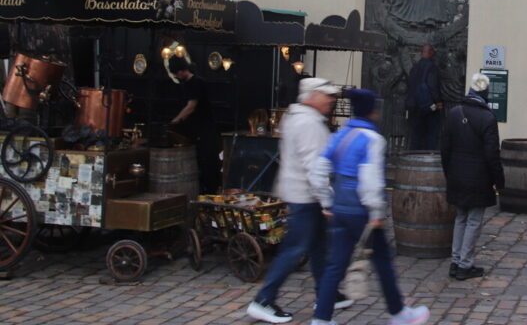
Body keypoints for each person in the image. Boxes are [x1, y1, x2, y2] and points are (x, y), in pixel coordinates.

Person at [310, 89, 430, 325]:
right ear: (373, 111)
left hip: (340, 209)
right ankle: (398, 313)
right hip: (361, 212)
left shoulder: (340, 135)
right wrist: (375, 212)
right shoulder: (372, 139)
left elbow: (318, 172)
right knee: (383, 262)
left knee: (335, 265)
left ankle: (321, 319)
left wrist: (327, 201)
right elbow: (370, 178)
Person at [246, 78, 352, 324]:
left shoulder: (298, 118)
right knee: (294, 249)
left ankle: (327, 294)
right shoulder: (309, 124)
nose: (331, 100)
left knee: (317, 248)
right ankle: (264, 299)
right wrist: (327, 201)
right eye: (326, 96)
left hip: (302, 194)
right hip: (305, 196)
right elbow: (315, 168)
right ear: (312, 96)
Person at [440, 73, 505, 280]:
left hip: (457, 175)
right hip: (478, 178)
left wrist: (448, 173)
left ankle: (455, 260)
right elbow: (492, 154)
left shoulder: (454, 113)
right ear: (485, 93)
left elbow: (445, 148)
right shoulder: (487, 118)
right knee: (474, 220)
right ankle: (465, 265)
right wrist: (498, 180)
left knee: (460, 218)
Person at [169, 60, 220, 195]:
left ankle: (209, 191)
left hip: (204, 129)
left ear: (181, 71)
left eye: (176, 74)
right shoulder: (189, 84)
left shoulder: (196, 83)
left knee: (207, 162)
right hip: (197, 128)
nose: (176, 77)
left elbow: (191, 107)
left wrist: (176, 121)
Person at [405, 44, 443, 150]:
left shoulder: (414, 68)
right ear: (430, 52)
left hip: (414, 107)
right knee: (431, 134)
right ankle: (428, 158)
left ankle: (413, 158)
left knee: (416, 135)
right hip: (429, 107)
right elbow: (432, 86)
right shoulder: (432, 67)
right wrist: (438, 101)